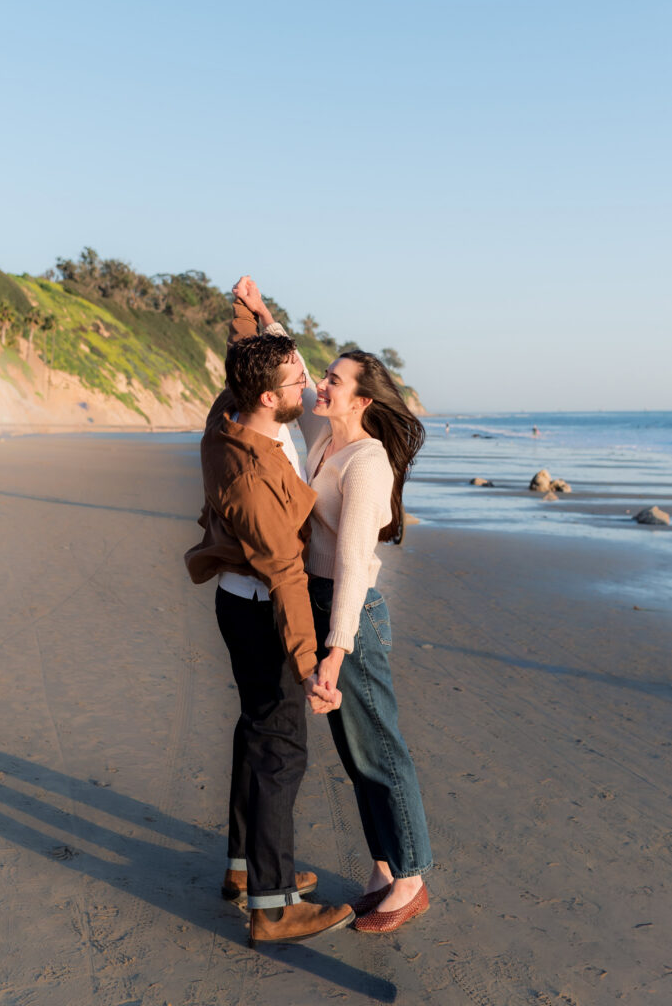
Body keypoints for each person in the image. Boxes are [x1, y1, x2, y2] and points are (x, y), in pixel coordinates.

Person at [232, 277, 433, 935]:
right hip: (320, 606)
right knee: (354, 753)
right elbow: (291, 365)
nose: (321, 384)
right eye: (323, 376)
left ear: (362, 400)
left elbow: (351, 568)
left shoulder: (366, 462)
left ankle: (410, 879)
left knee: (379, 750)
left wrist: (335, 652)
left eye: (335, 381)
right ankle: (383, 867)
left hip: (351, 617)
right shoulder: (328, 438)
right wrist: (265, 318)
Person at [184, 308, 353, 946]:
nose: (306, 387)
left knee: (256, 733)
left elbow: (243, 366)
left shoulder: (226, 418)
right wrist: (310, 665)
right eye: (295, 382)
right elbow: (285, 575)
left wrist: (251, 316)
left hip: (239, 602)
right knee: (281, 750)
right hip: (261, 610)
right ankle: (274, 906)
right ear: (266, 397)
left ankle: (243, 868)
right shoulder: (255, 480)